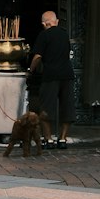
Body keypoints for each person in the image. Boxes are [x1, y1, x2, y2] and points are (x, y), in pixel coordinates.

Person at [29, 10, 74, 148]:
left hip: (50, 75)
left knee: (45, 107)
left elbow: (37, 56)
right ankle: (62, 139)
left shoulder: (44, 35)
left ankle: (48, 139)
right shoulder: (64, 34)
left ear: (44, 23)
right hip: (67, 74)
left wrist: (30, 70)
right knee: (67, 107)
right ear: (57, 21)